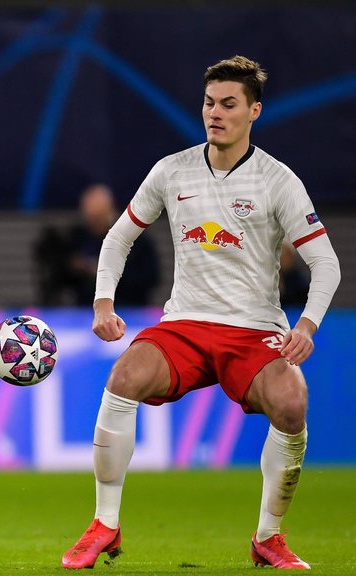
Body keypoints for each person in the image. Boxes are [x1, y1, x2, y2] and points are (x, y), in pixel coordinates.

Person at [61, 55, 341, 570]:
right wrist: (103, 302)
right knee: (124, 376)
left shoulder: (278, 180)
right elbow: (120, 236)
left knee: (291, 402)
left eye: (229, 104)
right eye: (209, 102)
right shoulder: (172, 170)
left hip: (255, 331)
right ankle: (104, 524)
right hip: (186, 325)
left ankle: (268, 537)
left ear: (253, 110)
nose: (215, 113)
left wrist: (306, 325)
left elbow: (325, 263)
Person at [35, 183, 160, 306]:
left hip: (129, 310)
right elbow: (61, 280)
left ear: (110, 211)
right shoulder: (79, 237)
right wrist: (73, 267)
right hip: (86, 312)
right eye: (90, 219)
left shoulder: (136, 239)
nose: (94, 224)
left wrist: (107, 274)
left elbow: (150, 278)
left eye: (99, 218)